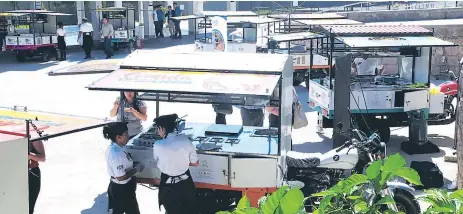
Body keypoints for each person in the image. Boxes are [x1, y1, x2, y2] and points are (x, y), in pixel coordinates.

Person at [152, 113, 199, 214]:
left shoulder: (158, 145)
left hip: (168, 185)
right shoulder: (185, 140)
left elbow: (157, 160)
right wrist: (184, 161)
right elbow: (195, 163)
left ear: (162, 129)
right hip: (185, 184)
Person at [104, 122, 143, 214]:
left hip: (122, 188)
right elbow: (120, 177)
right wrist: (136, 170)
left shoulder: (118, 147)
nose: (128, 136)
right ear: (118, 137)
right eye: (126, 134)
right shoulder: (116, 154)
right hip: (122, 190)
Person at [28, 140, 46, 214]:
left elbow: (42, 157)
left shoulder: (32, 132)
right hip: (12, 174)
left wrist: (28, 154)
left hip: (31, 174)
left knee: (28, 209)